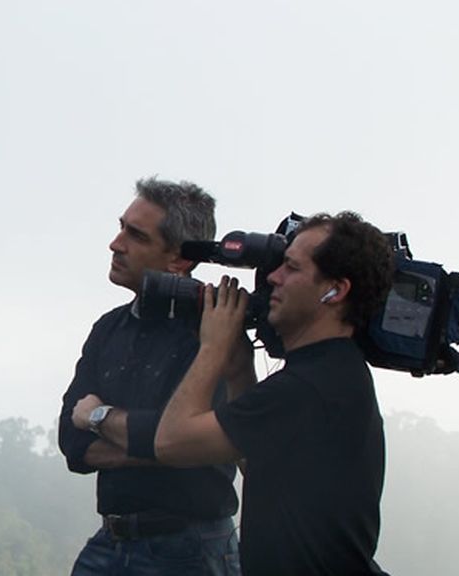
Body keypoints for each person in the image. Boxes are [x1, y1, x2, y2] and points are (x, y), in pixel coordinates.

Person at [153, 212, 394, 575]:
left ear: (335, 291)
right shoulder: (335, 371)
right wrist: (238, 371)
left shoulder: (307, 388)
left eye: (292, 268)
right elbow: (262, 466)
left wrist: (213, 348)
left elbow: (170, 442)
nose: (272, 278)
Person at [59, 178, 243, 576]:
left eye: (135, 235)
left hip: (191, 549)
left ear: (178, 259)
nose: (115, 243)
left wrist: (98, 418)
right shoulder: (109, 329)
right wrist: (159, 445)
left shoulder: (212, 331)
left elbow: (193, 445)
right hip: (111, 541)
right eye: (121, 226)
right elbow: (72, 444)